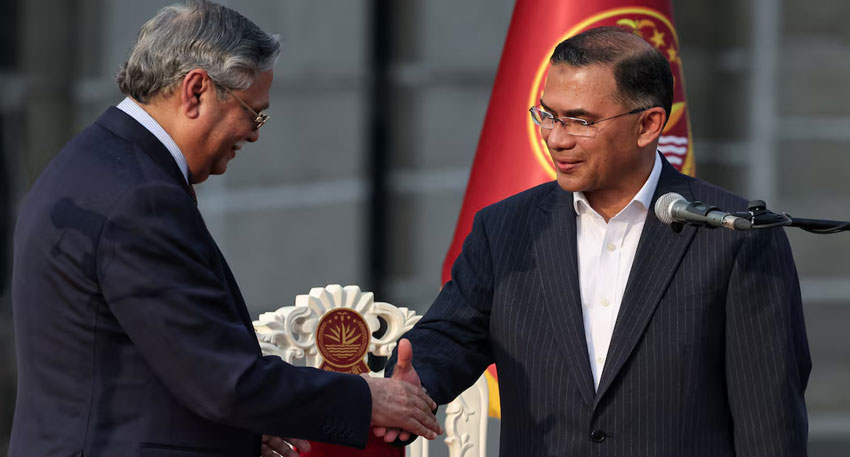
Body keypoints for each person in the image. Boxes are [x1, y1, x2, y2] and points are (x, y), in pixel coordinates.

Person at [8, 1, 441, 456]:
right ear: (196, 90)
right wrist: (368, 398)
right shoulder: (140, 199)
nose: (254, 133)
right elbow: (223, 379)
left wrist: (244, 431)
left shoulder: (95, 162)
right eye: (253, 113)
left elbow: (155, 359)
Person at [381, 26, 811, 456]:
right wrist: (418, 379)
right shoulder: (504, 228)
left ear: (648, 125)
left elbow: (769, 423)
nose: (555, 138)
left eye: (580, 121)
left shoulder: (734, 237)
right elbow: (452, 335)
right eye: (547, 115)